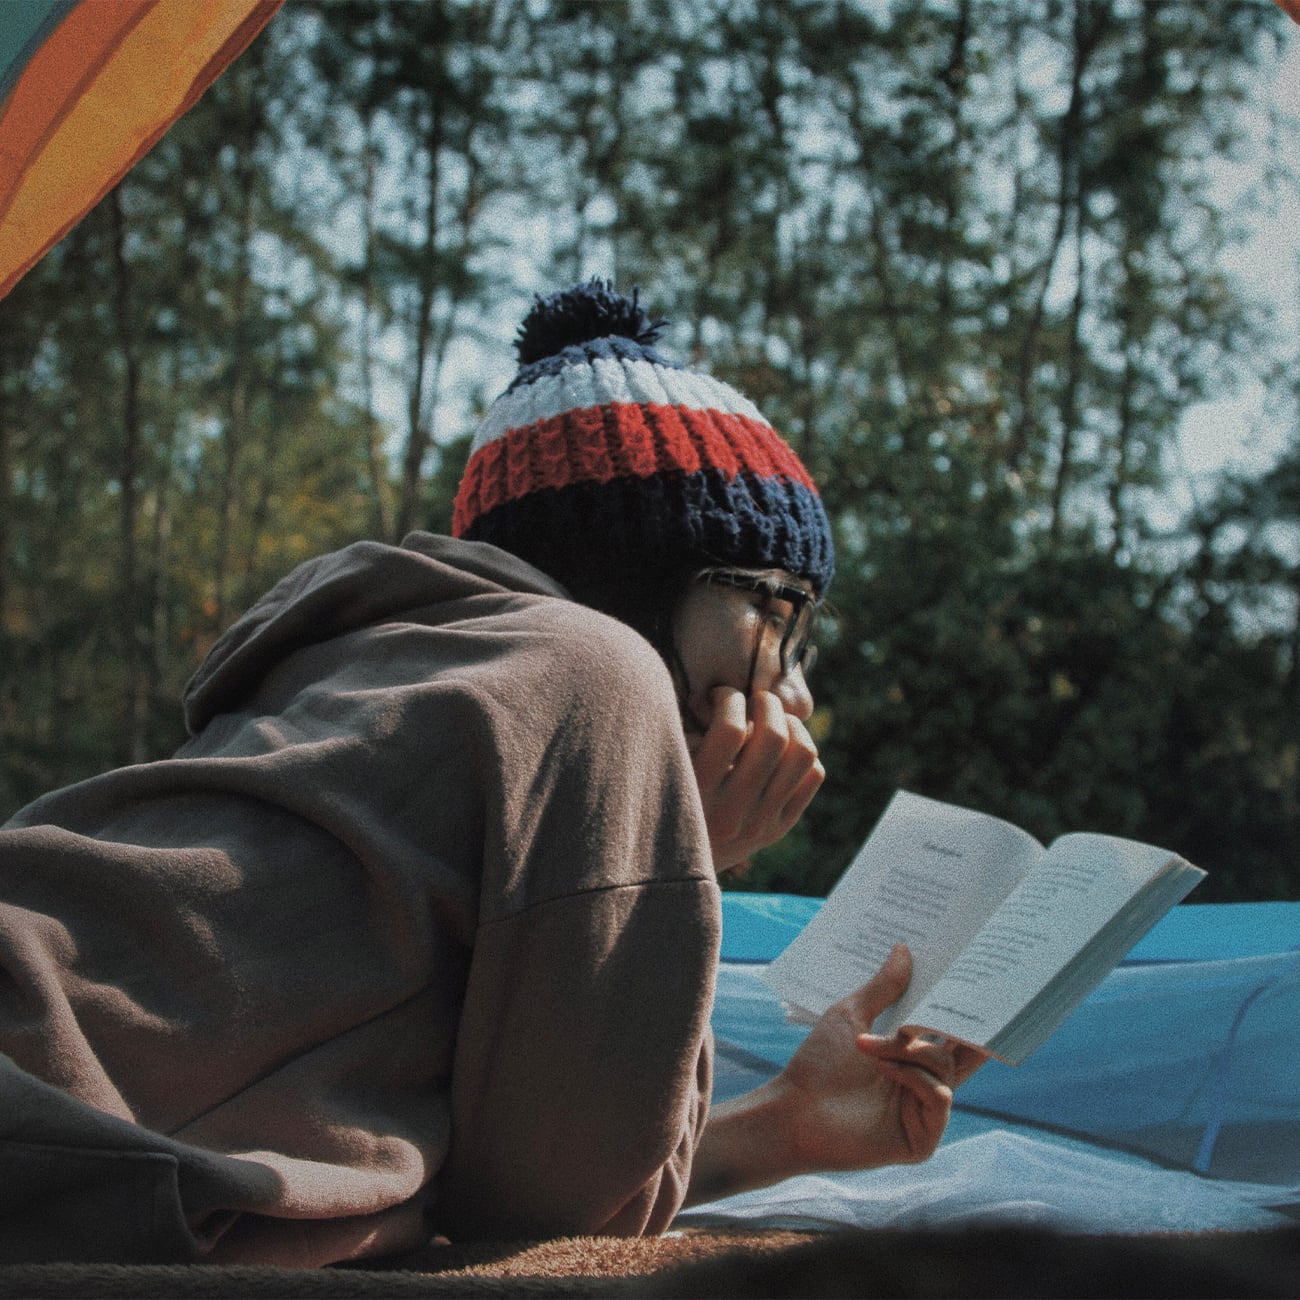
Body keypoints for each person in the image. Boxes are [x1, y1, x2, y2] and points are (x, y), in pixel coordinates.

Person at [0, 280, 981, 1267]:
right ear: (639, 577)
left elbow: (495, 1180)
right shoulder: (595, 668)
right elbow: (565, 1214)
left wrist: (787, 1124)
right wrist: (691, 865)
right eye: (780, 612)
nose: (796, 688)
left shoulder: (380, 672)